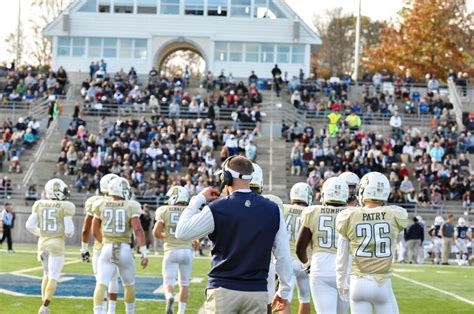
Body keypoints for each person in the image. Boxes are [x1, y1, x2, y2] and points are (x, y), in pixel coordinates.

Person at [175, 156, 293, 313]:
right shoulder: (273, 209)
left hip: (223, 290)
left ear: (227, 177)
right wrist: (283, 291)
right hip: (257, 292)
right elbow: (283, 256)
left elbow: (181, 232)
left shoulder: (217, 208)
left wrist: (198, 199)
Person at [336, 172, 408, 314]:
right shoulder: (395, 214)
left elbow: (341, 254)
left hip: (358, 282)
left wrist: (340, 281)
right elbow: (397, 241)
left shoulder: (349, 215)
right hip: (382, 283)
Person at [92, 177, 148, 314]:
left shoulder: (101, 204)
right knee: (128, 284)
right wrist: (144, 252)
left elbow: (94, 230)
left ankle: (99, 312)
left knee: (101, 283)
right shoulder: (130, 205)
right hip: (123, 248)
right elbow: (138, 230)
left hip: (107, 247)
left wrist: (104, 242)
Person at [296, 177, 350, 314]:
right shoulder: (352, 213)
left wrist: (306, 264)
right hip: (346, 269)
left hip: (321, 269)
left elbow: (299, 248)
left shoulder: (313, 212)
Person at [25, 179, 76, 314]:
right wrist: (62, 234)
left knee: (46, 274)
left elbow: (29, 225)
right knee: (53, 276)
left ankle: (44, 305)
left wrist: (41, 233)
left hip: (42, 243)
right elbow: (69, 231)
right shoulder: (66, 206)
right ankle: (45, 306)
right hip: (56, 243)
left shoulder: (39, 204)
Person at [249, 163, 288, 313]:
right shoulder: (272, 204)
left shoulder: (227, 204)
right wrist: (285, 285)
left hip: (234, 267)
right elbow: (281, 250)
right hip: (266, 266)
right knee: (266, 309)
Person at [80, 173, 120, 314]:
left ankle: (100, 311)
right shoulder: (124, 202)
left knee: (100, 281)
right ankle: (112, 311)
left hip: (100, 246)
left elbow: (87, 228)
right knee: (114, 278)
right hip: (116, 246)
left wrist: (84, 248)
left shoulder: (95, 202)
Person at [153, 186, 193, 314]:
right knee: (184, 284)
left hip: (171, 250)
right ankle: (181, 312)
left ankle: (169, 296)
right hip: (187, 251)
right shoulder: (190, 210)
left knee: (168, 281)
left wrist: (168, 235)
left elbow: (156, 232)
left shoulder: (164, 210)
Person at [283, 182, 313, 314]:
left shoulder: (282, 208)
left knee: (284, 298)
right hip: (305, 261)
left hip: (286, 260)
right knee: (305, 298)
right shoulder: (311, 212)